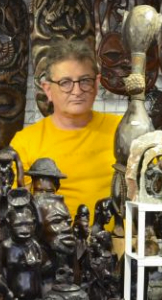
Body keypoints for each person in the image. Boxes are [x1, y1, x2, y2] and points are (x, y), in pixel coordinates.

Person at [10, 39, 120, 217]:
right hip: (53, 234)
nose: (77, 91)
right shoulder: (25, 143)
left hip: (119, 234)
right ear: (47, 90)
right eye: (65, 83)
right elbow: (18, 210)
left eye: (85, 81)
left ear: (96, 83)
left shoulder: (122, 130)